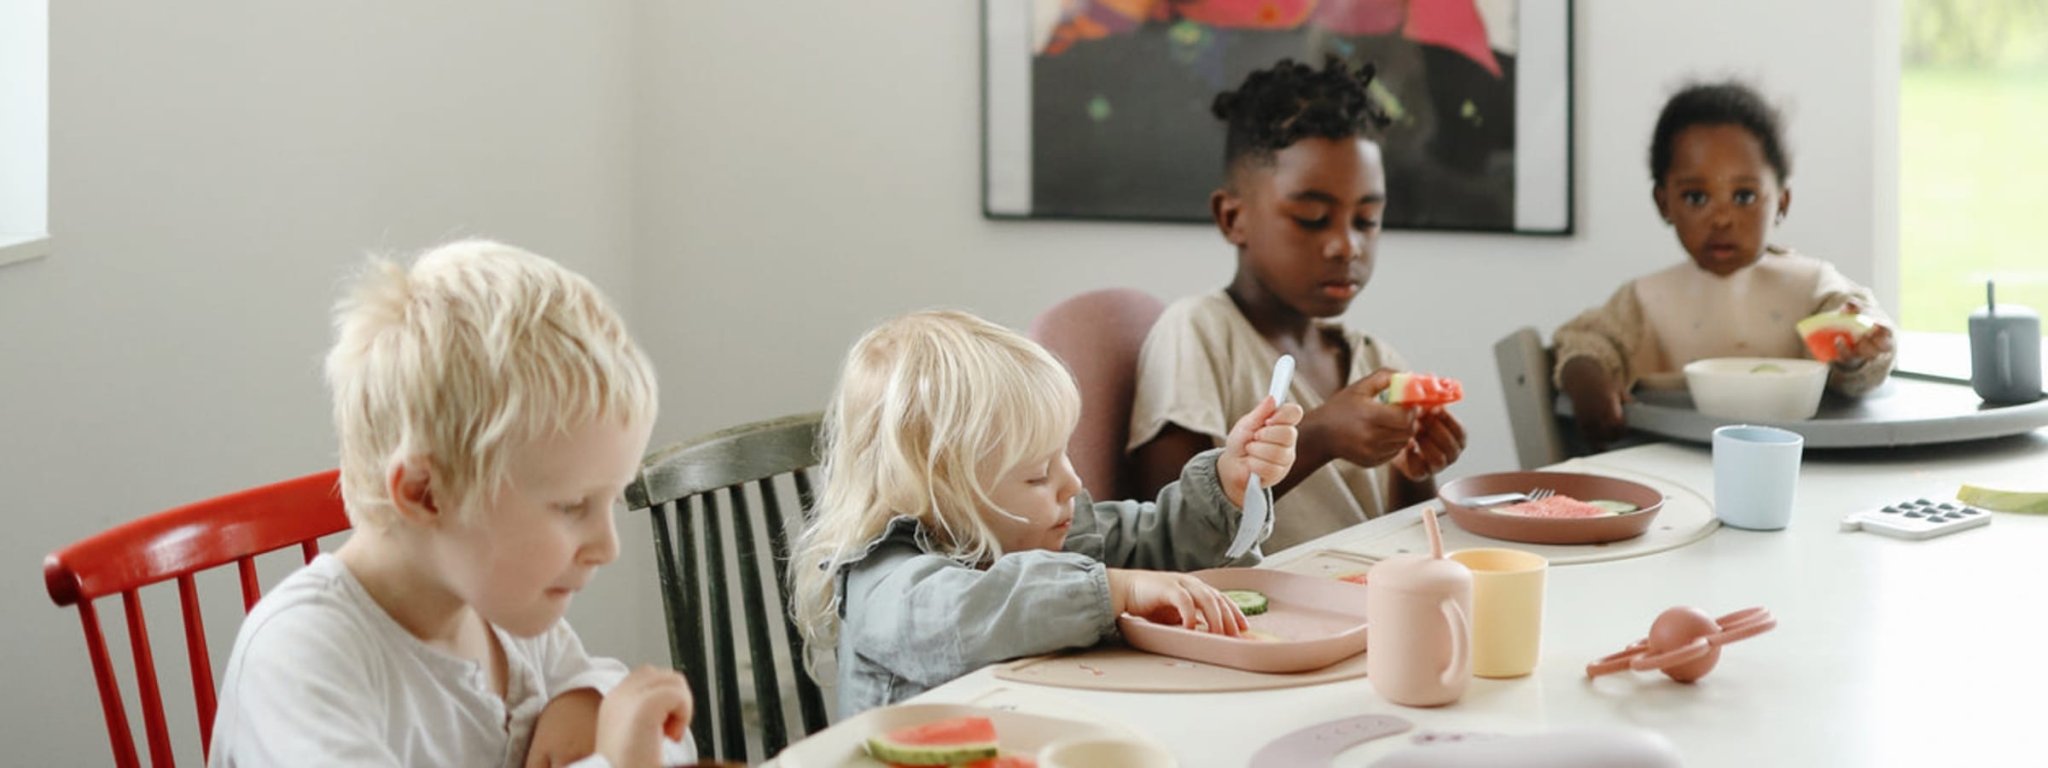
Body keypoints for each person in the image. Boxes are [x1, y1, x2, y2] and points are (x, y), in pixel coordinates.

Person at [210, 240, 695, 767]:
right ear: (425, 494)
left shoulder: (504, 611)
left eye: (611, 500)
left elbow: (661, 739)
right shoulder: (302, 656)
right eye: (572, 506)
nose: (606, 547)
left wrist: (590, 699)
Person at [789, 310, 1303, 716]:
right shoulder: (886, 582)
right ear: (943, 493)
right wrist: (1116, 591)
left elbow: (1155, 540)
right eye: (1037, 474)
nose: (1072, 483)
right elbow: (967, 612)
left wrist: (1229, 486)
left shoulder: (1034, 530)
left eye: (1064, 454)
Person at [1129, 57, 1467, 552]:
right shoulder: (1198, 333)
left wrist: (1414, 469)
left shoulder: (1378, 363)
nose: (1346, 246)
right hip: (1254, 618)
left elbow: (1406, 544)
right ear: (1232, 218)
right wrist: (1321, 436)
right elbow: (1166, 529)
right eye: (1312, 217)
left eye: (1367, 220)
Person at [1554, 82, 1896, 449]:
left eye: (1744, 196)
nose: (1721, 219)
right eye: (1696, 197)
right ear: (1663, 202)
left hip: (1797, 470)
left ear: (1782, 200)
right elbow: (1586, 341)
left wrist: (1856, 355)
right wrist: (1587, 378)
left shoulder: (1813, 288)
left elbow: (1861, 336)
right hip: (1667, 467)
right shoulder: (1646, 300)